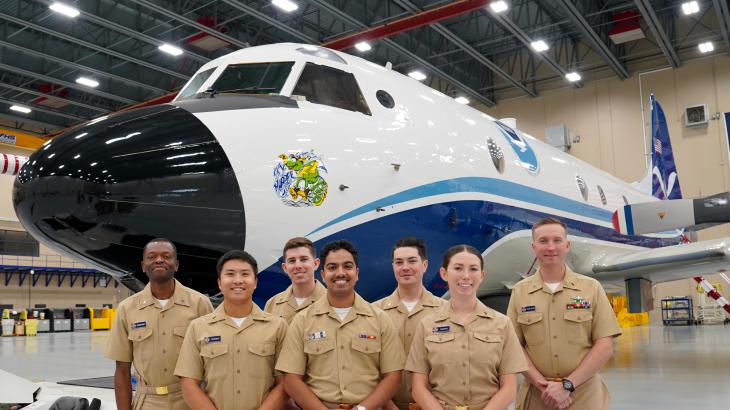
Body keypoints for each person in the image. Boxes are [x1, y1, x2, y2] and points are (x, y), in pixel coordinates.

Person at [507, 217, 622, 410]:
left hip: (584, 395)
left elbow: (604, 345)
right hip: (538, 395)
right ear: (533, 247)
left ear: (567, 245)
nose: (551, 247)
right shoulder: (520, 292)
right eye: (543, 241)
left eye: (557, 240)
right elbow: (513, 346)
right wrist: (542, 384)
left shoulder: (591, 288)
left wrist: (567, 385)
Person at [276, 240, 405, 410]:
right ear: (322, 274)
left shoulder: (380, 319)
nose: (340, 273)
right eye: (332, 267)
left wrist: (362, 409)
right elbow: (292, 379)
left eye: (347, 266)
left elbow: (394, 376)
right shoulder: (303, 320)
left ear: (357, 272)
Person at [406, 245, 527, 410]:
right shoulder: (427, 326)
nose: (466, 276)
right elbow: (418, 387)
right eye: (458, 268)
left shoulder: (502, 324)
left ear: (482, 275)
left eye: (473, 269)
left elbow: (509, 388)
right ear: (444, 273)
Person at [106, 238, 214, 410]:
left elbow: (213, 365)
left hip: (191, 400)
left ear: (176, 264)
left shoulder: (200, 304)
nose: (159, 260)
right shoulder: (127, 309)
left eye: (166, 256)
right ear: (143, 265)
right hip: (147, 402)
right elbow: (122, 370)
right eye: (152, 256)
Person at [174, 250, 288, 410]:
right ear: (220, 282)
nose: (238, 280)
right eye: (230, 274)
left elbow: (284, 383)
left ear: (255, 282)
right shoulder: (199, 327)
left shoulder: (278, 327)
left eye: (245, 274)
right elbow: (188, 384)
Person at [372, 237, 444, 410]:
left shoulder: (446, 312)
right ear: (393, 267)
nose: (405, 268)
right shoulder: (373, 312)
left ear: (424, 265)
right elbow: (367, 367)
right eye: (399, 262)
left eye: (412, 261)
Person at [265, 237, 327, 323]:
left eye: (304, 259)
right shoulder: (272, 305)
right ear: (285, 268)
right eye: (292, 261)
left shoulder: (334, 301)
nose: (298, 265)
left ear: (316, 264)